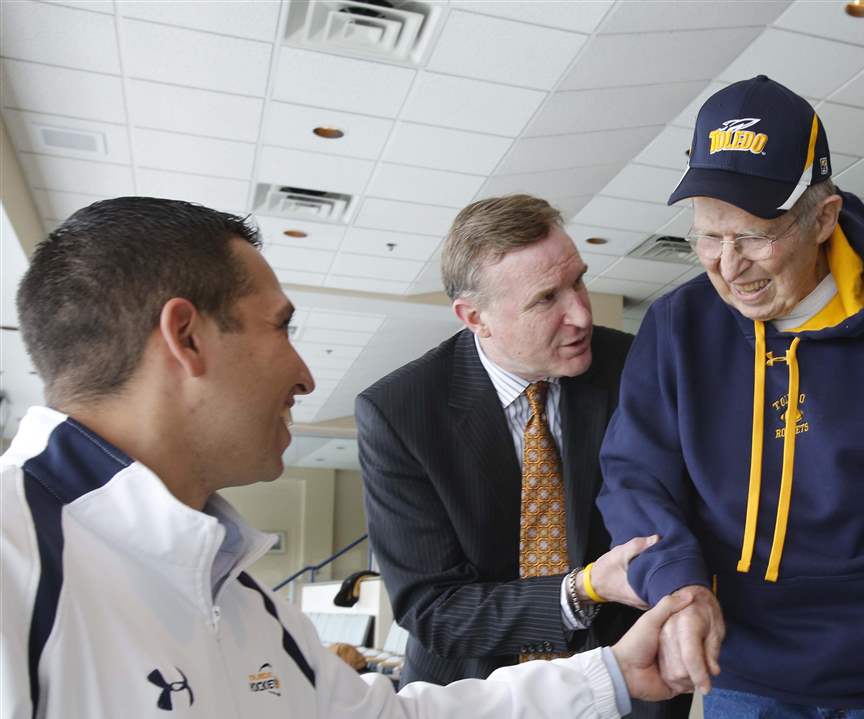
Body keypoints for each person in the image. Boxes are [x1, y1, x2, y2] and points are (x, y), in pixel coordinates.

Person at [0, 196, 690, 719]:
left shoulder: (236, 591)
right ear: (186, 337)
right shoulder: (17, 563)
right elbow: (433, 609)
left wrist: (609, 676)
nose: (304, 376)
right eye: (281, 327)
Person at [596, 76, 864, 719]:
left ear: (823, 218)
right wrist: (676, 584)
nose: (729, 266)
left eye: (754, 237)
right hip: (739, 671)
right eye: (709, 237)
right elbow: (635, 479)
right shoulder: (675, 326)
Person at [356, 194, 689, 718]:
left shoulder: (635, 367)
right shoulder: (399, 413)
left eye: (578, 281)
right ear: (475, 317)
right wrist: (582, 589)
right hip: (475, 694)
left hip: (631, 686)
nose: (581, 314)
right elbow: (432, 608)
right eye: (546, 299)